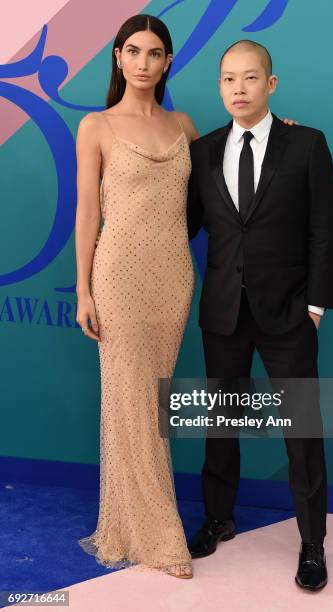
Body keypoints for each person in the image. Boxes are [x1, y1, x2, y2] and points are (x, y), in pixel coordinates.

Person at [186, 40, 333, 591]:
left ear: (270, 84)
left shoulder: (306, 144)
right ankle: (217, 518)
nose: (239, 89)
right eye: (228, 79)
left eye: (250, 78)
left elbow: (325, 230)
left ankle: (313, 544)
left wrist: (316, 304)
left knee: (302, 431)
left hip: (289, 313)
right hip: (223, 312)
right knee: (221, 424)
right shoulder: (202, 152)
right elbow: (181, 228)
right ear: (219, 85)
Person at [75, 14, 199, 579]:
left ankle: (130, 523)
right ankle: (160, 535)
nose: (143, 63)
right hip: (118, 276)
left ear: (167, 61)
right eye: (133, 52)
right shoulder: (96, 126)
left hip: (173, 278)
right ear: (118, 59)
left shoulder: (186, 126)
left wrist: (278, 132)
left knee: (153, 401)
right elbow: (87, 213)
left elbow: (225, 186)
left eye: (154, 53)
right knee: (131, 401)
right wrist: (83, 287)